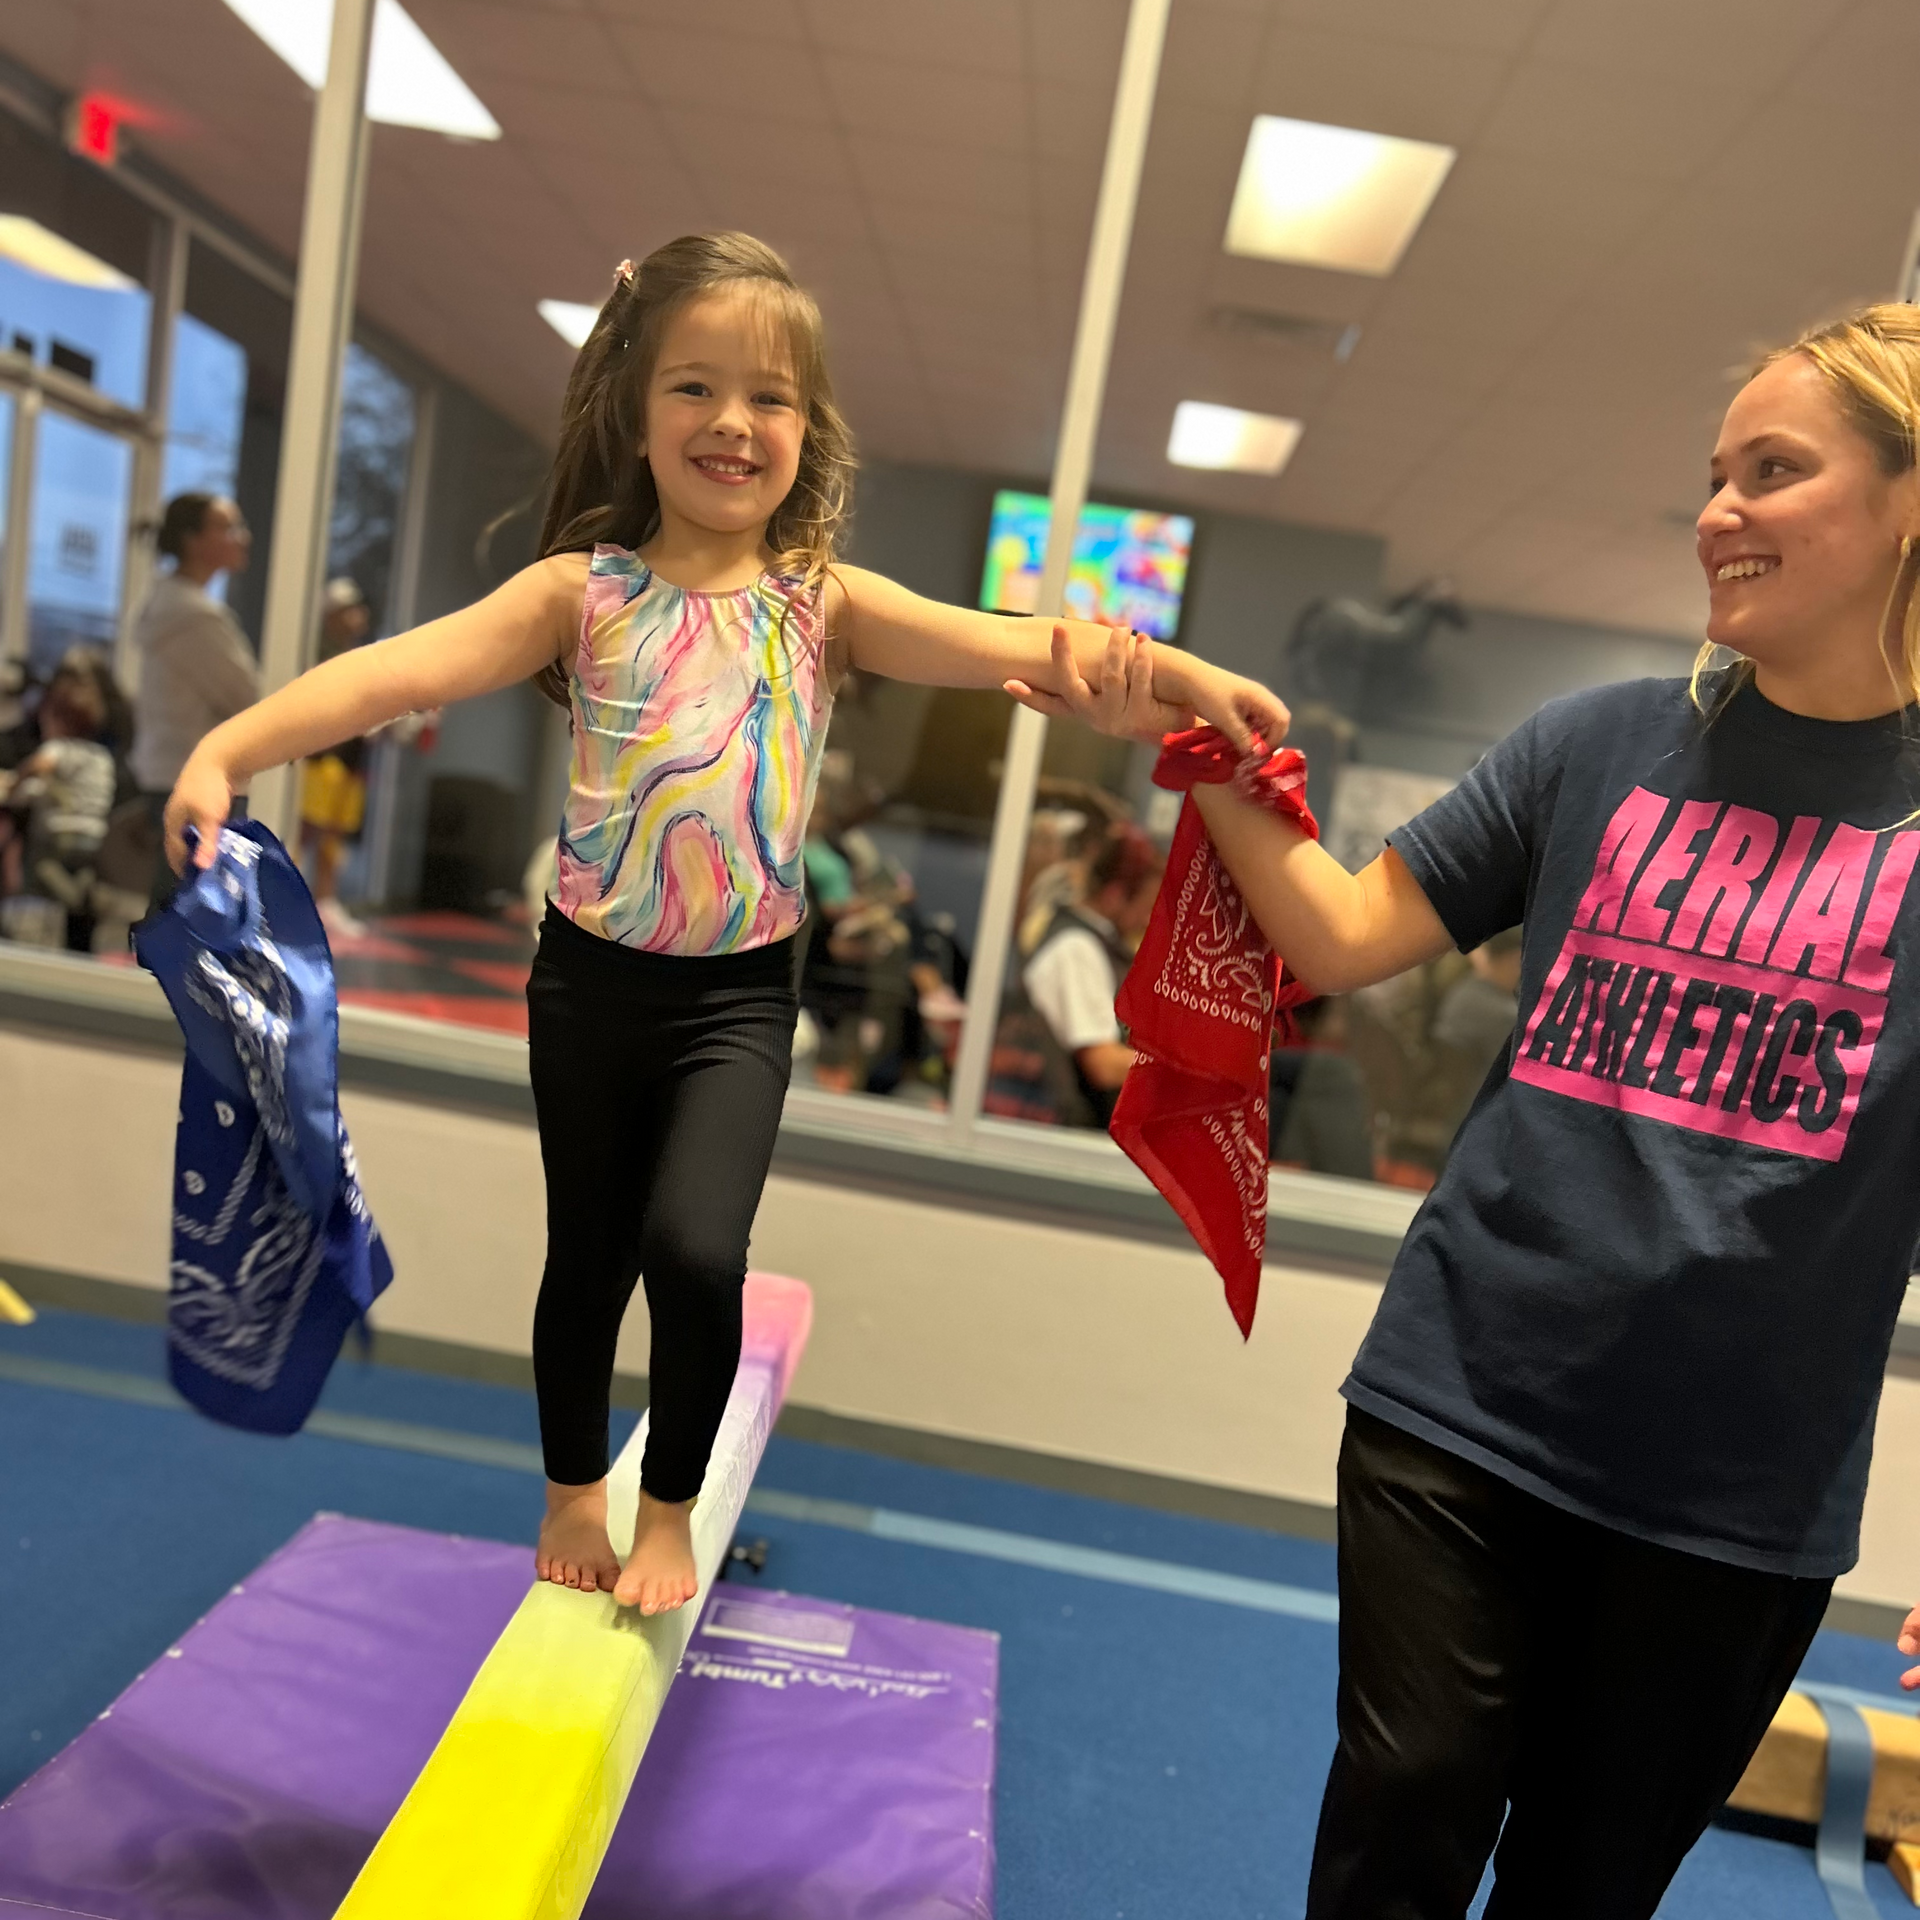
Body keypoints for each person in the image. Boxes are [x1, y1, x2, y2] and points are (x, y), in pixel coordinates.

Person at [163, 232, 1284, 1618]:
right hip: (589, 985)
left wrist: (1189, 676)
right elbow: (395, 672)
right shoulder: (580, 593)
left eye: (769, 398)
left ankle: (672, 1507)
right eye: (695, 388)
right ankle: (576, 1484)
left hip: (737, 996)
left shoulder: (822, 604)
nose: (731, 424)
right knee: (589, 1253)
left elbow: (1027, 641)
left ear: (807, 434)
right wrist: (228, 748)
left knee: (693, 1251)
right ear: (637, 411)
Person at [1020, 301, 1920, 1919]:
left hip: (1735, 1496)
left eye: (1773, 472)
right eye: (1714, 475)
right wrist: (1193, 734)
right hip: (1467, 1400)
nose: (1719, 511)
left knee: (1582, 1888)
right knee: (1403, 1810)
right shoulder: (1601, 742)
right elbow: (1346, 933)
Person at [130, 494, 258, 914]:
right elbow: (248, 697)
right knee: (188, 918)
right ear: (192, 539)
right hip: (195, 781)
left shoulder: (169, 606)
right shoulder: (194, 617)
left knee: (177, 908)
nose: (244, 537)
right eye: (228, 527)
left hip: (170, 774)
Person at [1021, 822, 1163, 1126]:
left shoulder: (1101, 945)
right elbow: (1103, 1065)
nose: (1147, 920)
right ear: (1114, 895)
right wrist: (1191, 1071)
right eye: (1145, 907)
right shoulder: (1077, 949)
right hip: (1058, 1129)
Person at [0, 670, 115, 951]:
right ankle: (82, 895)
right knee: (76, 875)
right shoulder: (101, 757)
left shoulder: (59, 748)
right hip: (95, 837)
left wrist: (16, 781)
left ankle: (72, 899)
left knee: (40, 872)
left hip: (59, 834)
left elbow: (40, 766)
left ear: (55, 718)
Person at [298, 577, 376, 939]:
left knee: (334, 834)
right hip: (321, 759)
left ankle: (326, 901)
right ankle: (289, 899)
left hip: (350, 759)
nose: (356, 616)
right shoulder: (319, 657)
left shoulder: (360, 656)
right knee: (306, 832)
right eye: (347, 611)